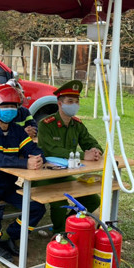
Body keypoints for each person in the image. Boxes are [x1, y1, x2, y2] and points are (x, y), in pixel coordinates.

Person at [0, 84, 47, 261]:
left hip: (7, 186)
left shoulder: (17, 131)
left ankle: (11, 235)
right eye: (4, 106)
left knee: (37, 208)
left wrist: (39, 158)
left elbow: (33, 148)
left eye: (13, 106)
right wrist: (25, 163)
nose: (9, 109)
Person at [37, 79, 103, 233]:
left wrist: (96, 151)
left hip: (65, 175)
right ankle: (59, 233)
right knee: (59, 202)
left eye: (77, 101)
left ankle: (68, 224)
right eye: (70, 101)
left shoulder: (77, 125)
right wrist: (83, 155)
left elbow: (90, 142)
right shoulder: (46, 124)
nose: (74, 105)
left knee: (92, 200)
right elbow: (51, 150)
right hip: (44, 175)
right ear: (60, 103)